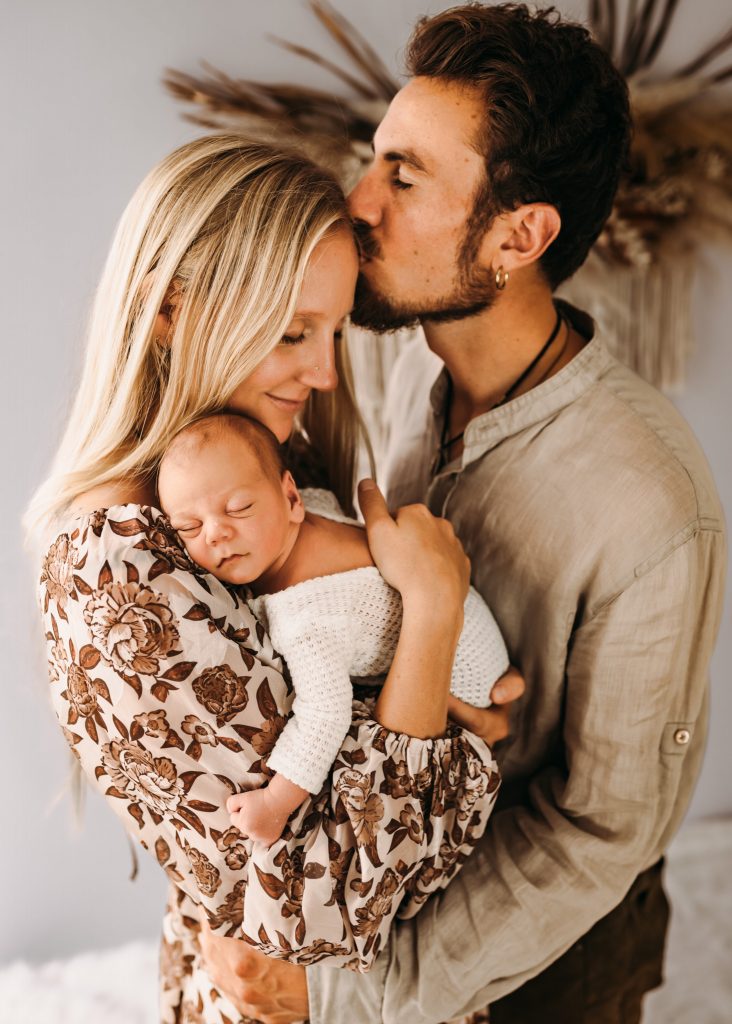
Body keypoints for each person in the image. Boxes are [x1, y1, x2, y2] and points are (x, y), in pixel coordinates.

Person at [199, 5, 727, 1023]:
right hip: (384, 886)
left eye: (405, 177)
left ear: (520, 236)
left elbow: (599, 829)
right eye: (373, 160)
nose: (359, 202)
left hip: (545, 975)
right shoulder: (407, 372)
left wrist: (349, 991)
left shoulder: (652, 503)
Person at [25, 135, 522, 1023]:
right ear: (171, 310)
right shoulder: (119, 574)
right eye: (294, 331)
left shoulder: (262, 473)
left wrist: (435, 693)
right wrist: (436, 610)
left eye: (331, 331)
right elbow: (346, 895)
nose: (325, 373)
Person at [156, 411, 509, 846]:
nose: (215, 533)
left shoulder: (304, 618)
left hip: (459, 688)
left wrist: (276, 803)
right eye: (188, 527)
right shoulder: (318, 506)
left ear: (291, 499)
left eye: (239, 508)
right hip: (474, 624)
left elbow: (324, 714)